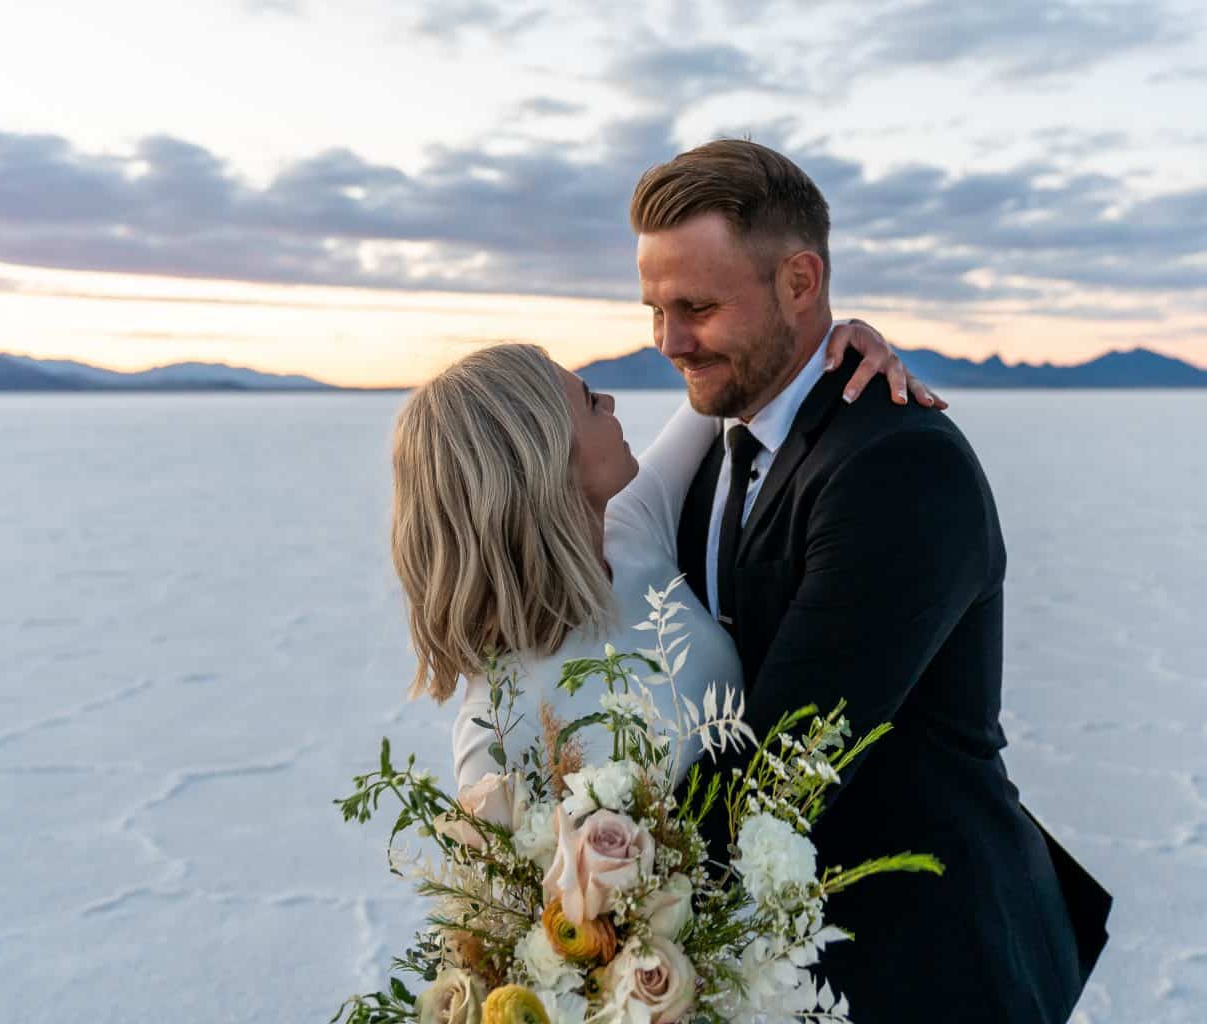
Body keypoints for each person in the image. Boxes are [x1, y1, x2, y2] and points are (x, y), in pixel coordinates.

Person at [633, 138, 1112, 1022]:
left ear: (801, 281)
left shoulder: (896, 464)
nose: (668, 341)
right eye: (655, 308)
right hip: (770, 963)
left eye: (696, 307)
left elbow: (787, 760)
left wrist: (604, 890)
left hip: (921, 966)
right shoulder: (716, 445)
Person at [389, 324, 938, 796]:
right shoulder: (499, 733)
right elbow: (513, 915)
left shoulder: (627, 530)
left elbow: (726, 394)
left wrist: (835, 344)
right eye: (589, 401)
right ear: (547, 457)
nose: (609, 404)